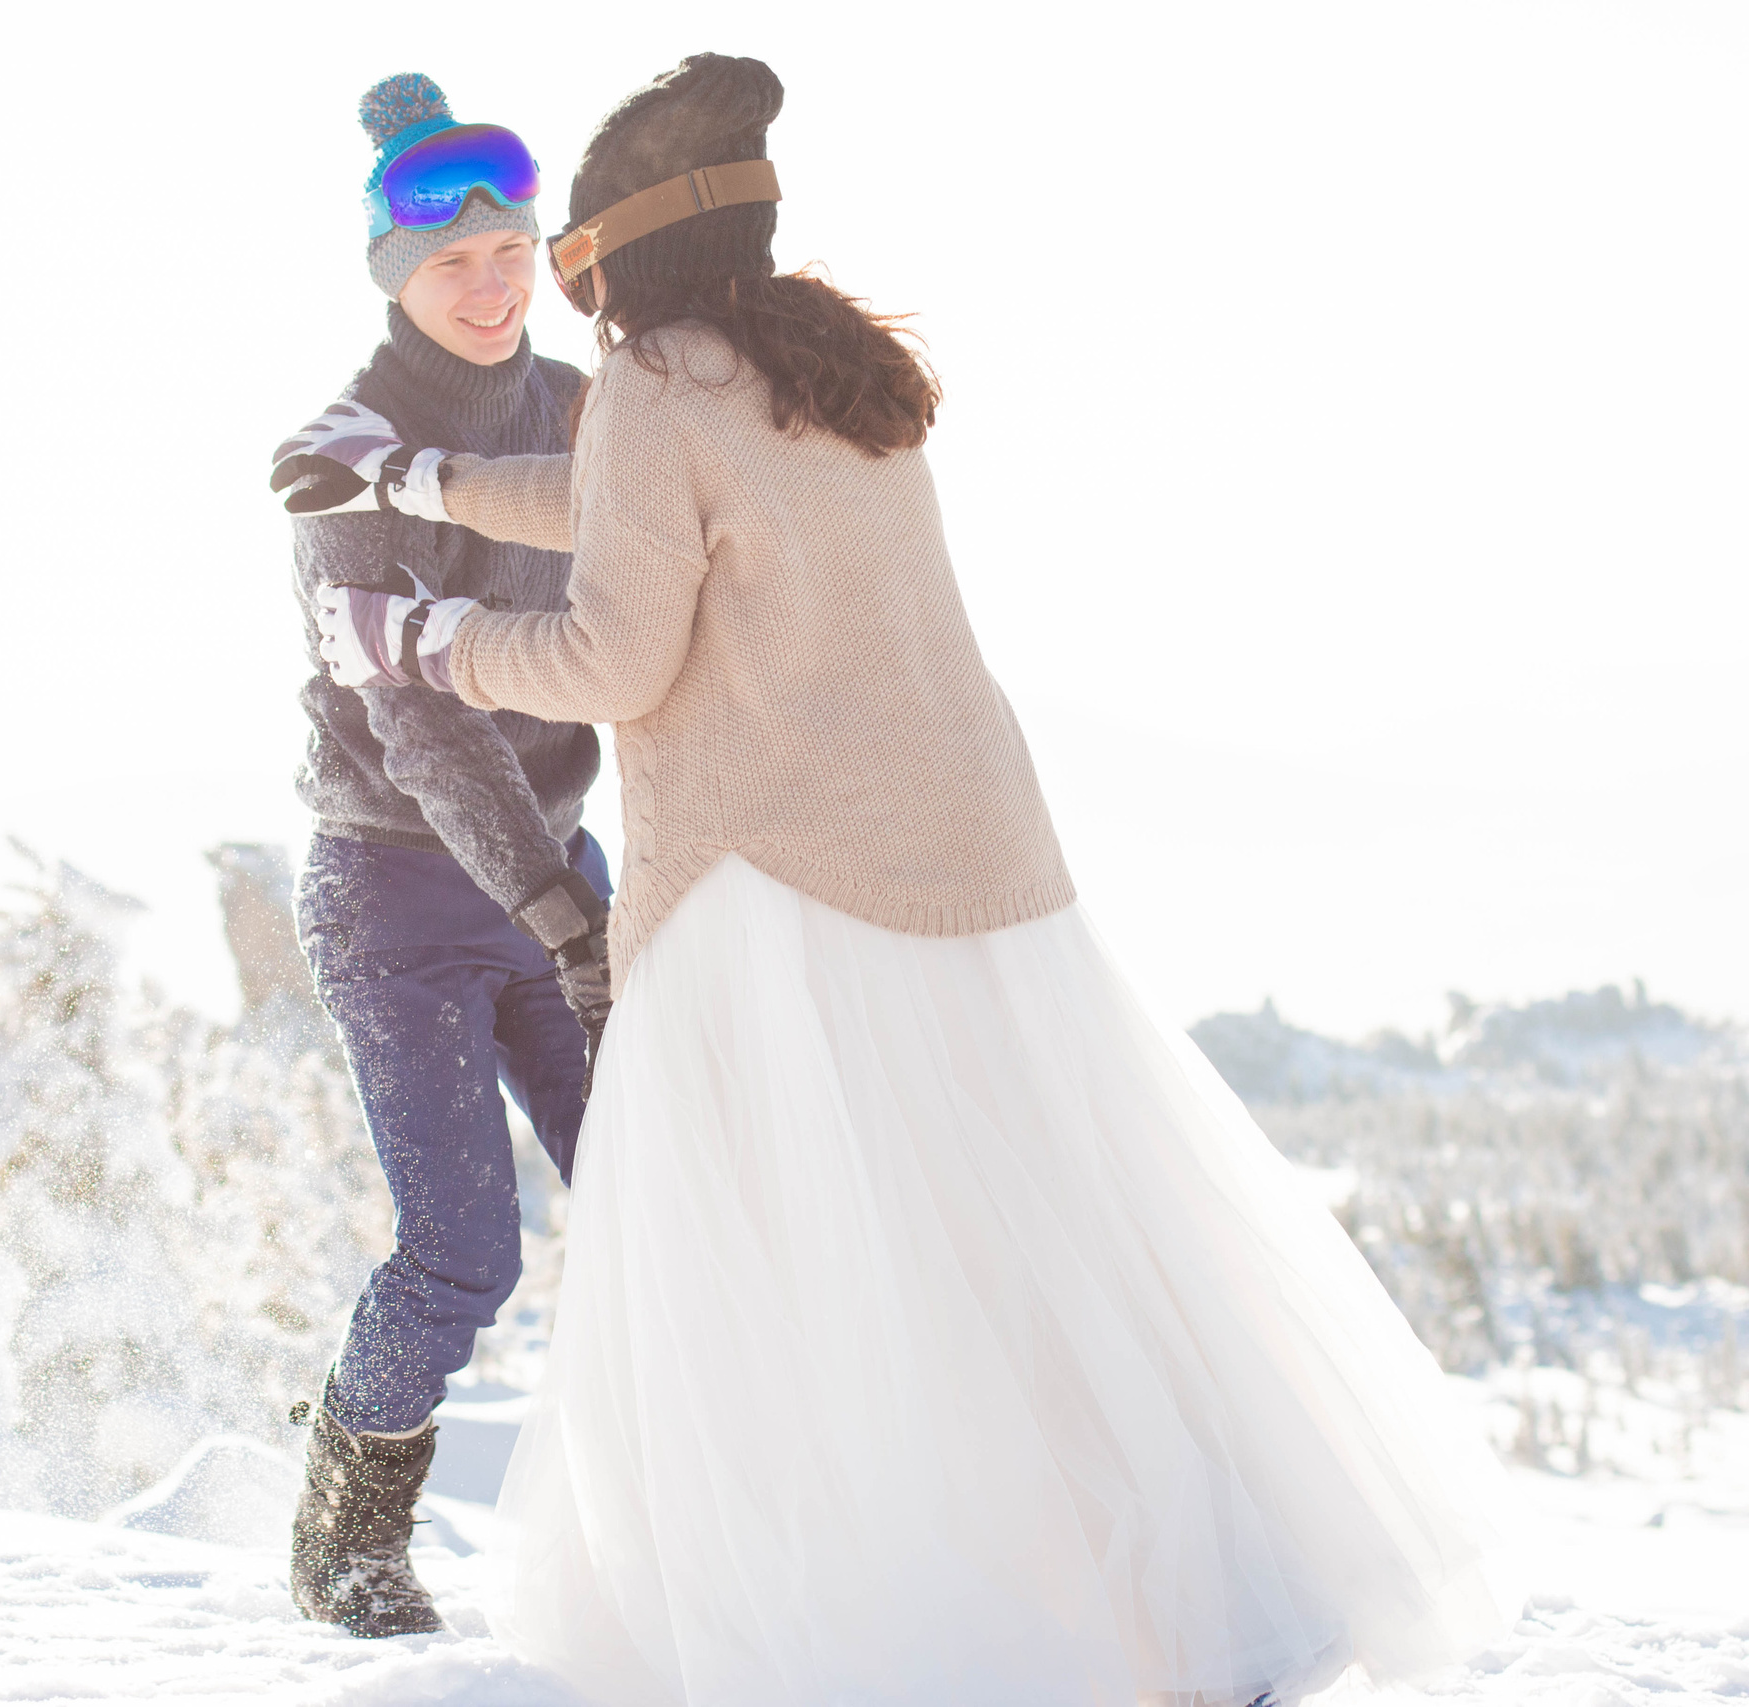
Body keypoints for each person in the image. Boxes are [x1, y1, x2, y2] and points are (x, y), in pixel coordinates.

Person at [290, 53, 1507, 1707]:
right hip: (961, 864)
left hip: (777, 877)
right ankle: (1185, 1588)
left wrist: (428, 639)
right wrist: (412, 484)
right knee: (1001, 1227)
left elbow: (613, 644)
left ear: (618, 257)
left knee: (775, 1254)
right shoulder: (813, 366)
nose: (529, 284)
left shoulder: (640, 382)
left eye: (552, 250)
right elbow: (608, 522)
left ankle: (862, 1600)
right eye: (471, 255)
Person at [270, 72, 615, 1642]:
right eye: (449, 264)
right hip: (399, 884)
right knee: (465, 1249)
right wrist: (558, 908)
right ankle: (344, 1541)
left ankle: (687, 1514)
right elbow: (420, 724)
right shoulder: (345, 455)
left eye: (511, 252)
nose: (490, 286)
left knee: (652, 1190)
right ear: (396, 278)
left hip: (556, 870)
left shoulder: (584, 414)